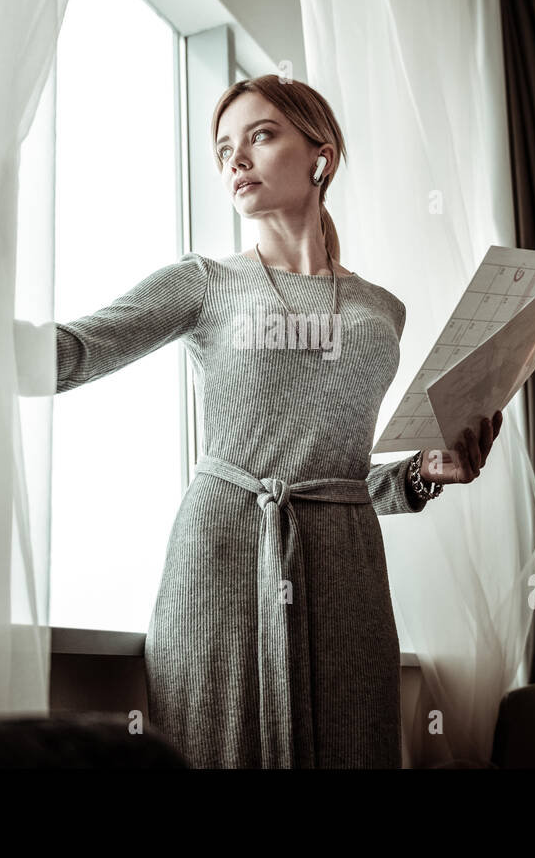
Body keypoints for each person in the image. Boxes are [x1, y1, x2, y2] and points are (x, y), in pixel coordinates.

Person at [40, 75, 501, 767]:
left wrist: (422, 473)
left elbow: (334, 479)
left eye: (259, 136)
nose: (235, 160)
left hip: (347, 567)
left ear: (322, 158)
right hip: (220, 554)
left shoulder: (384, 312)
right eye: (224, 148)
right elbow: (73, 354)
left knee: (355, 742)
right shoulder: (205, 282)